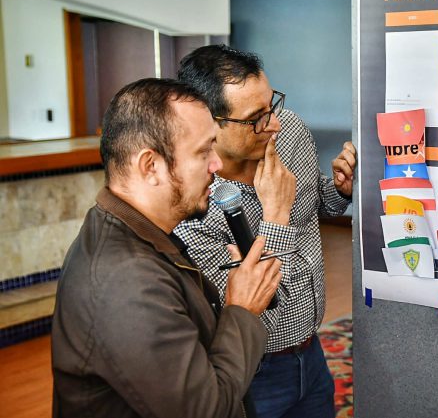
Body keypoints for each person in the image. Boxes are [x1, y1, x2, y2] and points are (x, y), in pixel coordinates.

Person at [51, 78, 282, 418]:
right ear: (150, 166)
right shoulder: (127, 283)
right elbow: (206, 410)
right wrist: (242, 311)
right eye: (203, 151)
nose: (216, 165)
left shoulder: (143, 233)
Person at [174, 44, 357, 418]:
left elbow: (314, 204)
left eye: (272, 104)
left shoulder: (289, 131)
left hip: (312, 350)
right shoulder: (190, 208)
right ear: (209, 123)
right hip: (254, 375)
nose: (273, 123)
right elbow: (259, 312)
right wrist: (276, 215)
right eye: (255, 117)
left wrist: (338, 190)